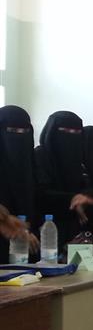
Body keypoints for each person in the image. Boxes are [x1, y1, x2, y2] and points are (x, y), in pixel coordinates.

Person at [34, 111, 92, 245]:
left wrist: (85, 197)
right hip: (45, 229)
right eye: (66, 131)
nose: (71, 136)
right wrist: (72, 198)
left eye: (76, 132)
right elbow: (39, 192)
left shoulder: (79, 159)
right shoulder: (40, 156)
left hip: (76, 228)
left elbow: (87, 186)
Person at [0, 105, 37, 262]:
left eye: (24, 131)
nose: (19, 136)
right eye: (12, 131)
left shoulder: (31, 162)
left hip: (25, 244)